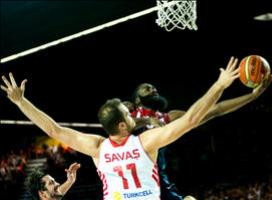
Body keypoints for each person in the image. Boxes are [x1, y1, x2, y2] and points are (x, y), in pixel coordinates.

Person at [1, 56, 247, 200]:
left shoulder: (97, 148)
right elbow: (193, 118)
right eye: (128, 115)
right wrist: (220, 85)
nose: (132, 115)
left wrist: (21, 101)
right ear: (121, 124)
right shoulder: (146, 142)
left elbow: (53, 130)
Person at [129, 71, 272, 200]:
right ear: (137, 99)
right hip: (128, 184)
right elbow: (112, 125)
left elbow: (215, 110)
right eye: (147, 88)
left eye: (154, 88)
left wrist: (253, 96)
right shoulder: (127, 112)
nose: (153, 89)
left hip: (158, 181)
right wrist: (146, 120)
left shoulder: (168, 118)